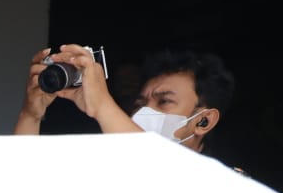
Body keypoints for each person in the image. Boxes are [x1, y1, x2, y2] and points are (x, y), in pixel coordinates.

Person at [14, 44, 235, 160]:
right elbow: (20, 187)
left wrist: (100, 103)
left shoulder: (224, 185)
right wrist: (31, 114)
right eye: (140, 103)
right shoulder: (110, 169)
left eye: (164, 101)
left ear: (204, 121)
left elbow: (159, 166)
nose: (146, 111)